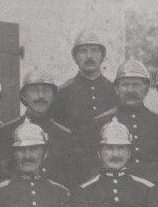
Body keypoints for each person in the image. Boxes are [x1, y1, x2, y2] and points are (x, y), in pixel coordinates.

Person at [85, 59, 158, 203]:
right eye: (125, 84)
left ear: (147, 88)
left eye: (136, 84)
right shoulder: (100, 123)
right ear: (116, 88)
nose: (130, 90)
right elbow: (92, 170)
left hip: (155, 198)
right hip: (114, 197)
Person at [50, 30, 118, 183]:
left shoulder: (114, 91)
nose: (89, 56)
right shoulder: (62, 93)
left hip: (110, 167)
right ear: (75, 57)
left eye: (94, 51)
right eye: (83, 51)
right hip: (75, 171)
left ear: (102, 56)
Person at [0, 67, 75, 188]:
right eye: (34, 90)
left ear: (53, 96)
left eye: (46, 90)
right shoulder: (6, 132)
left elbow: (70, 179)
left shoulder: (64, 135)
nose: (41, 96)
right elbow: (0, 176)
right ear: (24, 96)